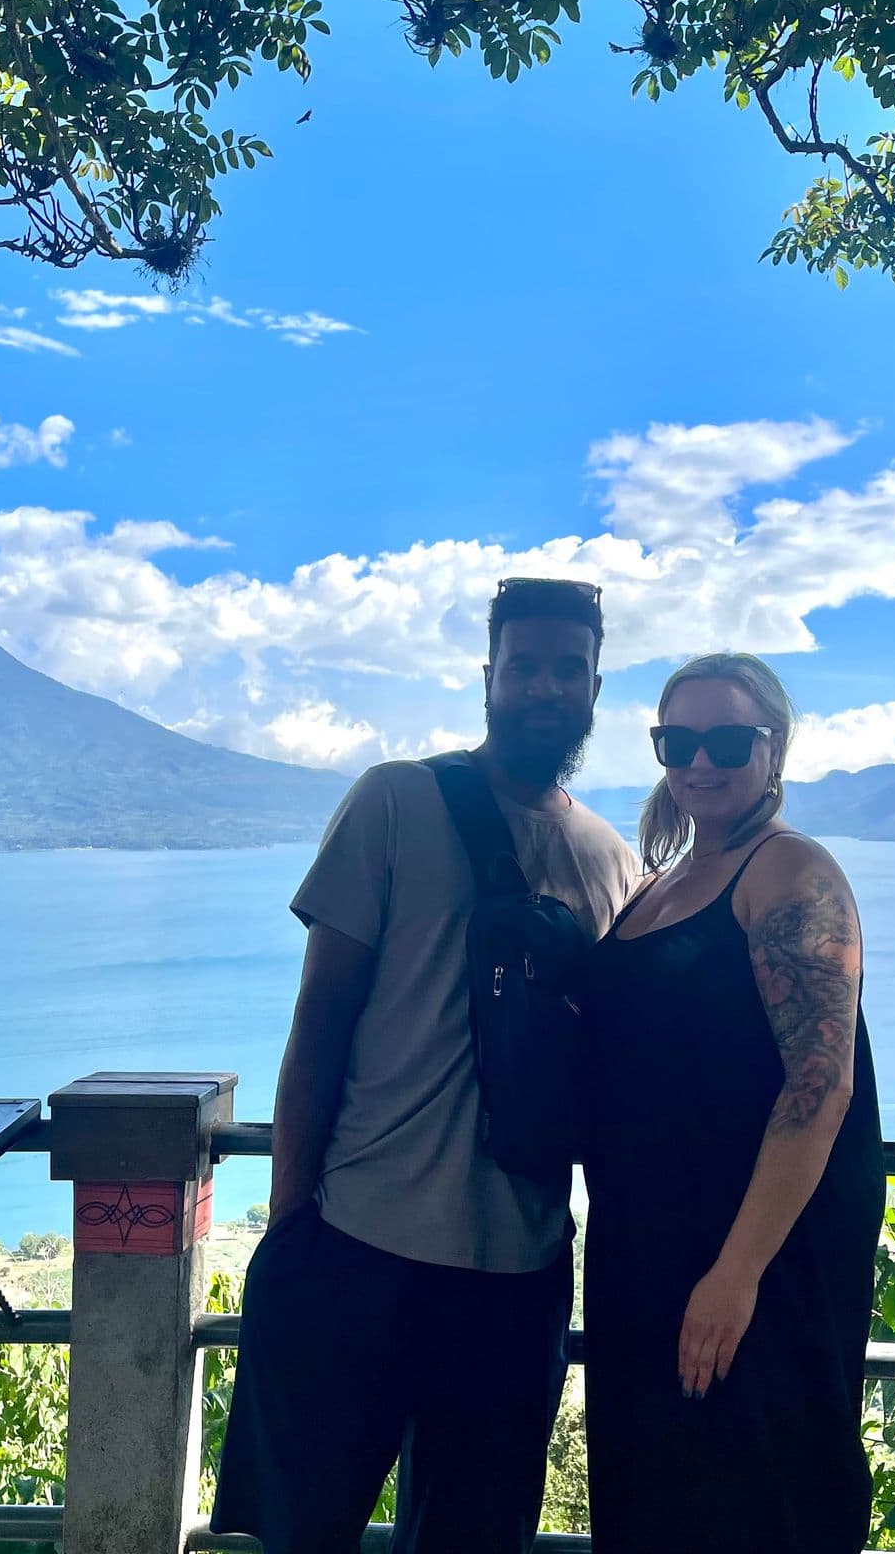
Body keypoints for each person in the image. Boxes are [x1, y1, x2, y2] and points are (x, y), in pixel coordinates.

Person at [212, 576, 637, 1554]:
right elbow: (319, 1019)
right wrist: (290, 1235)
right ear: (488, 675)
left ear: (594, 688)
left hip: (517, 1275)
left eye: (565, 668)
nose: (543, 686)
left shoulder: (611, 863)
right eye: (523, 663)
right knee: (302, 1532)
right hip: (357, 1245)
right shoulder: (396, 799)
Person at [581, 652, 884, 1554]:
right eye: (678, 740)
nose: (699, 761)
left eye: (726, 740)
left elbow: (820, 1087)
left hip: (752, 1262)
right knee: (656, 1497)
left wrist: (736, 1274)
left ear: (774, 747)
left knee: (755, 1496)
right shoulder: (665, 878)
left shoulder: (789, 872)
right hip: (647, 1254)